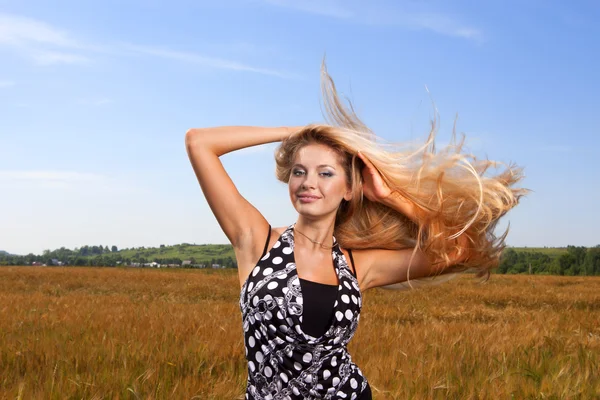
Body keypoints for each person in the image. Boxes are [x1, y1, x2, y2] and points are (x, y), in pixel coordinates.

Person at [185, 63, 526, 399]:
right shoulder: (256, 240)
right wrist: (293, 132)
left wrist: (391, 197)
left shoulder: (356, 266)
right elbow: (199, 142)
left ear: (349, 189)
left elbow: (459, 250)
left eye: (326, 174)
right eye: (299, 171)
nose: (308, 183)